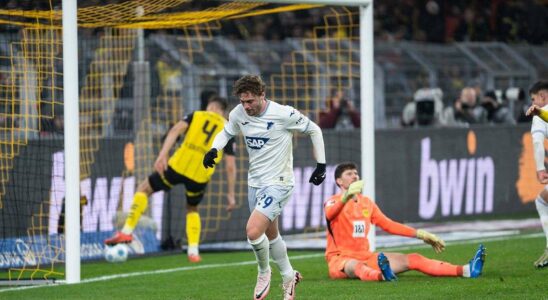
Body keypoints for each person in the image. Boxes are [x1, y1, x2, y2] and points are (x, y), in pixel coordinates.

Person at [202, 75, 326, 300]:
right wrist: (214, 149)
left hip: (279, 183)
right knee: (272, 235)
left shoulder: (283, 114)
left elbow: (314, 130)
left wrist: (321, 164)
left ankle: (263, 271)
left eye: (250, 101)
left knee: (252, 231)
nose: (246, 106)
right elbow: (227, 132)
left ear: (262, 95)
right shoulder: (238, 114)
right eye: (242, 101)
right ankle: (289, 275)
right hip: (255, 184)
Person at [105, 96, 237, 263]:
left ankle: (126, 231)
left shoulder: (196, 115)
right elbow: (231, 166)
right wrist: (231, 194)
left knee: (143, 189)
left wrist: (162, 154)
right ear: (223, 111)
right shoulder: (228, 128)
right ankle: (193, 251)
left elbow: (175, 130)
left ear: (210, 106)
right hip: (200, 175)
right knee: (192, 208)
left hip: (177, 167)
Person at [324, 162, 486, 282]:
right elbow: (331, 213)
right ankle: (382, 276)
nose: (354, 176)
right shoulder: (333, 201)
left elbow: (389, 225)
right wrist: (345, 198)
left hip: (366, 256)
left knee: (415, 258)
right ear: (339, 181)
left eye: (355, 173)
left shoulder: (367, 203)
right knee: (357, 267)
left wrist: (421, 234)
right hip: (341, 260)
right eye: (349, 174)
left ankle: (466, 270)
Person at [524, 80, 548, 268]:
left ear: (543, 96)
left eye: (534, 99)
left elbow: (538, 142)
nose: (533, 103)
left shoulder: (539, 114)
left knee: (541, 201)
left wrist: (540, 168)